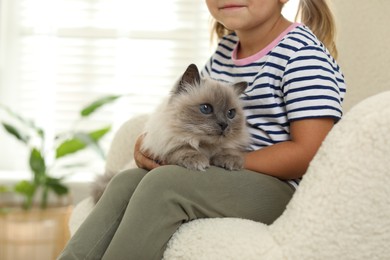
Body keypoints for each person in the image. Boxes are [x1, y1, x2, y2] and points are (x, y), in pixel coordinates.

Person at [58, 0, 346, 259]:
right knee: (125, 182)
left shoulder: (303, 55)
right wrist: (154, 145)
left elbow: (311, 153)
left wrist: (228, 161)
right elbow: (189, 115)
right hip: (230, 177)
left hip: (282, 190)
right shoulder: (225, 51)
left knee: (165, 185)